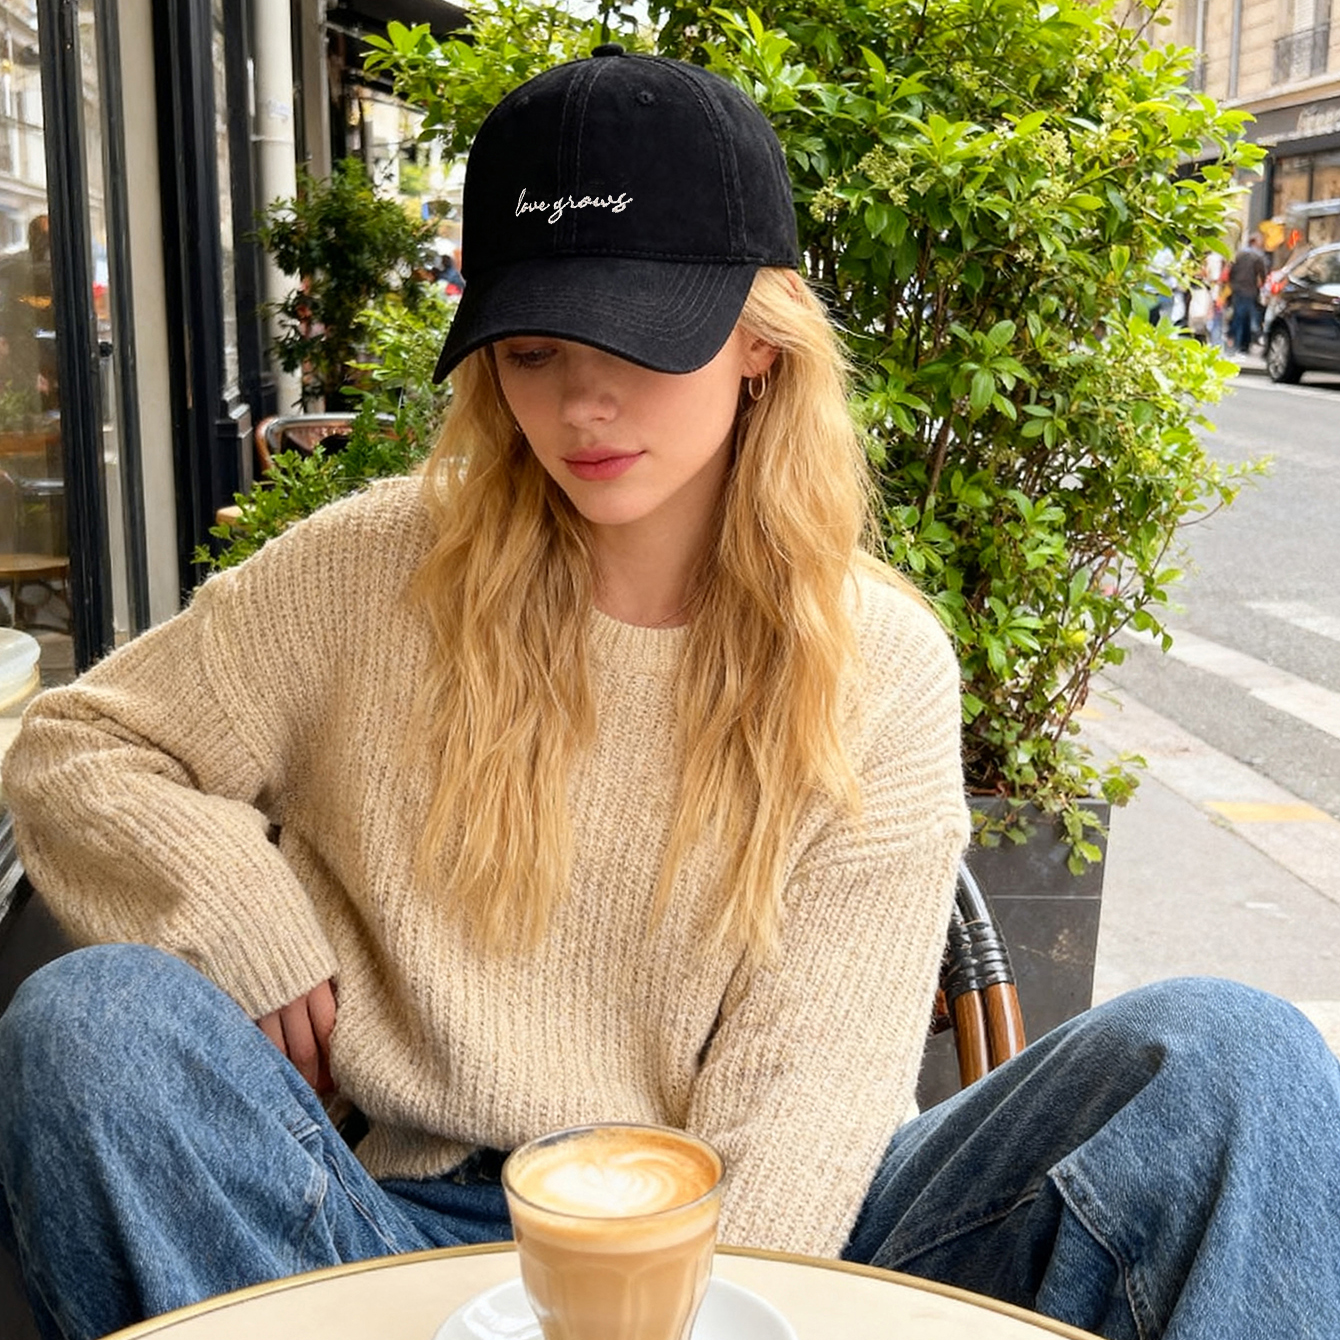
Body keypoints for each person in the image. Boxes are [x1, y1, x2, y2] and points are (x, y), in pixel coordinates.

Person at [0, 47, 1337, 1340]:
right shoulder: (366, 572)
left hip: (762, 1232)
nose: (583, 401)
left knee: (1236, 1061)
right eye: (533, 349)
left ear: (760, 338)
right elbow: (77, 746)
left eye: (639, 339)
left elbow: (802, 1119)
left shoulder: (872, 663)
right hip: (384, 1227)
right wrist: (233, 908)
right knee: (93, 1026)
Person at [1226, 232, 1268, 354]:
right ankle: (1242, 345)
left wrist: (1232, 283)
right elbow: (1262, 274)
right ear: (1255, 242)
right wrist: (1262, 285)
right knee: (1246, 317)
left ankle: (1235, 341)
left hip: (1237, 288)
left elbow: (1231, 271)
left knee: (1238, 315)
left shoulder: (1239, 254)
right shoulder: (1257, 256)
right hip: (1250, 290)